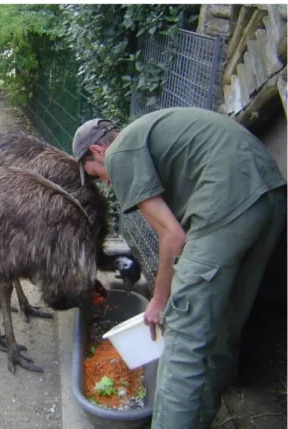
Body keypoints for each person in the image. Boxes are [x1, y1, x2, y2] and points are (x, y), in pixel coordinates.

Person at [71, 106, 287, 429]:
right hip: (271, 193)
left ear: (98, 150)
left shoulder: (120, 152)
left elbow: (173, 236)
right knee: (223, 323)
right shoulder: (150, 136)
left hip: (226, 200)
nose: (103, 183)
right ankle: (200, 419)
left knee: (182, 337)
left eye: (94, 174)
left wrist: (158, 302)